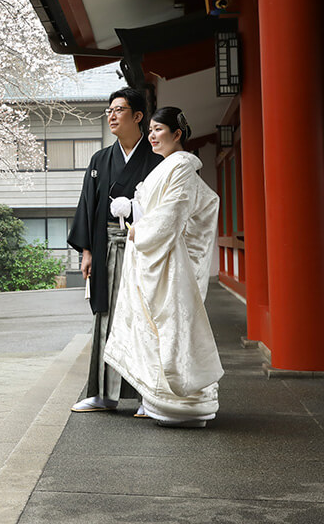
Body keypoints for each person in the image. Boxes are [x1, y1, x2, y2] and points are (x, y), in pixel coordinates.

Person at [104, 106, 222, 427]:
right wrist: (132, 207)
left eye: (159, 130)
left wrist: (136, 228)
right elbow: (154, 207)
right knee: (156, 328)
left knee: (170, 327)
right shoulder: (167, 167)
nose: (153, 136)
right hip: (156, 257)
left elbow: (171, 214)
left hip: (168, 260)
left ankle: (182, 405)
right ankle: (159, 402)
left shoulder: (182, 166)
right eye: (152, 130)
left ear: (177, 134)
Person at [66, 87, 162, 413]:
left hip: (142, 249)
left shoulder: (155, 161)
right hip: (106, 247)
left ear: (138, 116)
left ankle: (146, 395)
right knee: (105, 317)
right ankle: (103, 394)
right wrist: (87, 253)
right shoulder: (99, 160)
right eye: (109, 110)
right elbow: (88, 207)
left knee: (142, 318)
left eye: (119, 110)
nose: (111, 115)